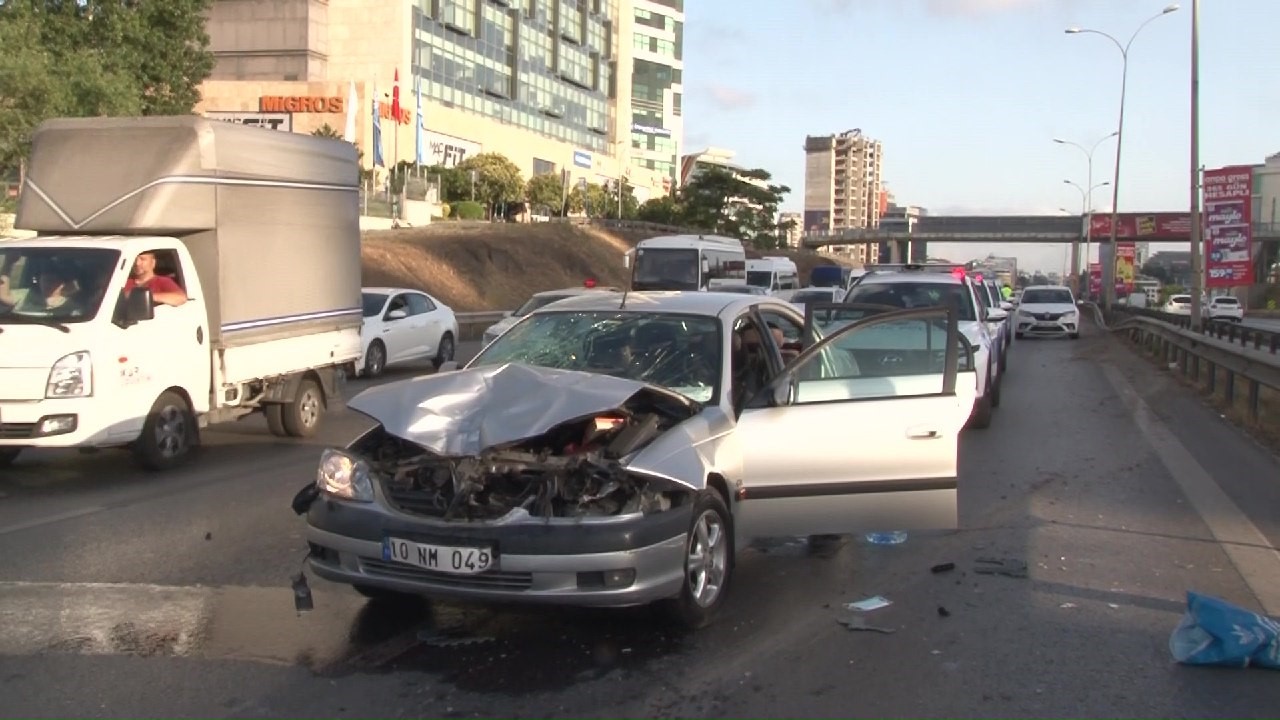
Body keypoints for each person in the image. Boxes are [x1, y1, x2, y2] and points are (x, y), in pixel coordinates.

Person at [0, 261, 87, 317]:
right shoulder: (27, 295)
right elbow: (3, 295)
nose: (47, 284)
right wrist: (9, 263)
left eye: (52, 281)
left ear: (62, 284)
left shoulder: (71, 305)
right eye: (44, 280)